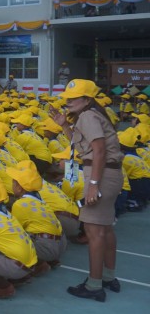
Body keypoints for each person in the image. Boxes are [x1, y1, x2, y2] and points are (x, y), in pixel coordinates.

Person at [51, 79, 123, 302]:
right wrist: (64, 125)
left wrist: (93, 184)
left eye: (74, 98)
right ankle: (108, 277)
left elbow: (99, 151)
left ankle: (94, 286)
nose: (68, 101)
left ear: (87, 99)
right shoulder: (92, 114)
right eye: (67, 98)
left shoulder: (88, 116)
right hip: (109, 174)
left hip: (101, 175)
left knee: (94, 232)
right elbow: (83, 147)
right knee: (105, 229)